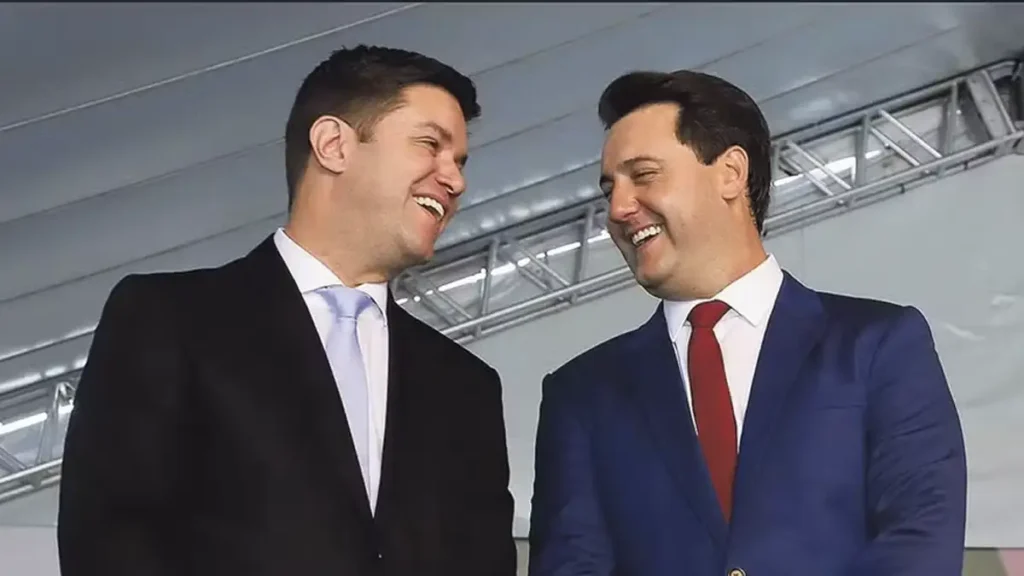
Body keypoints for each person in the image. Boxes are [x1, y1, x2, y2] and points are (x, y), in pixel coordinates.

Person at [58, 45, 516, 576]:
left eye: (460, 163)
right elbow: (110, 541)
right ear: (333, 145)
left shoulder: (467, 386)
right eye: (430, 145)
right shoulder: (168, 320)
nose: (455, 180)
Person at [528, 69, 967, 576]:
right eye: (610, 190)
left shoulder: (877, 344)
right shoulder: (581, 394)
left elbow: (919, 540)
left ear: (731, 173)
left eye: (643, 175)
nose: (618, 209)